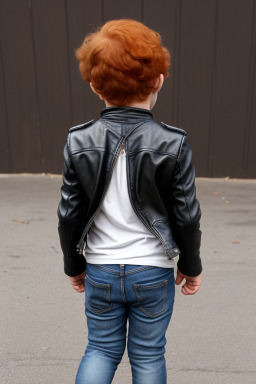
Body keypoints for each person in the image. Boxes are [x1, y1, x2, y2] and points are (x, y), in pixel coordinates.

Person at [57, 19, 202, 384]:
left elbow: (69, 215)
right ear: (158, 80)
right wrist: (191, 263)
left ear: (93, 85)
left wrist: (74, 265)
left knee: (101, 349)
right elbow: (186, 215)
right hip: (152, 272)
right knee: (149, 354)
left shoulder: (78, 141)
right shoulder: (173, 142)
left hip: (101, 270)